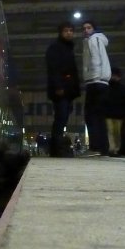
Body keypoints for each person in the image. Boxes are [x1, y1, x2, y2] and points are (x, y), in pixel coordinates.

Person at [44, 22, 81, 156]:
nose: (69, 33)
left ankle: (56, 148)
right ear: (60, 32)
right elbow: (53, 69)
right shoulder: (56, 47)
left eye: (71, 30)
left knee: (63, 118)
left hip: (68, 90)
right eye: (66, 31)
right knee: (60, 118)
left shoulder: (68, 48)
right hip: (61, 90)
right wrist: (58, 86)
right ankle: (56, 149)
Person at [81, 20, 111, 156]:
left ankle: (96, 147)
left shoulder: (94, 39)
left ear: (94, 29)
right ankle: (102, 148)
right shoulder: (91, 40)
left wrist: (95, 77)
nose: (86, 30)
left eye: (89, 27)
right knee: (98, 116)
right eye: (84, 28)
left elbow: (96, 59)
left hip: (96, 82)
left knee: (92, 116)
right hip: (96, 81)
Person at [105, 66, 125, 155]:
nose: (114, 77)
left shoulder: (110, 87)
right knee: (111, 131)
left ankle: (116, 148)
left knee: (116, 132)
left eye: (115, 75)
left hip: (117, 115)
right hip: (112, 114)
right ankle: (113, 148)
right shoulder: (119, 88)